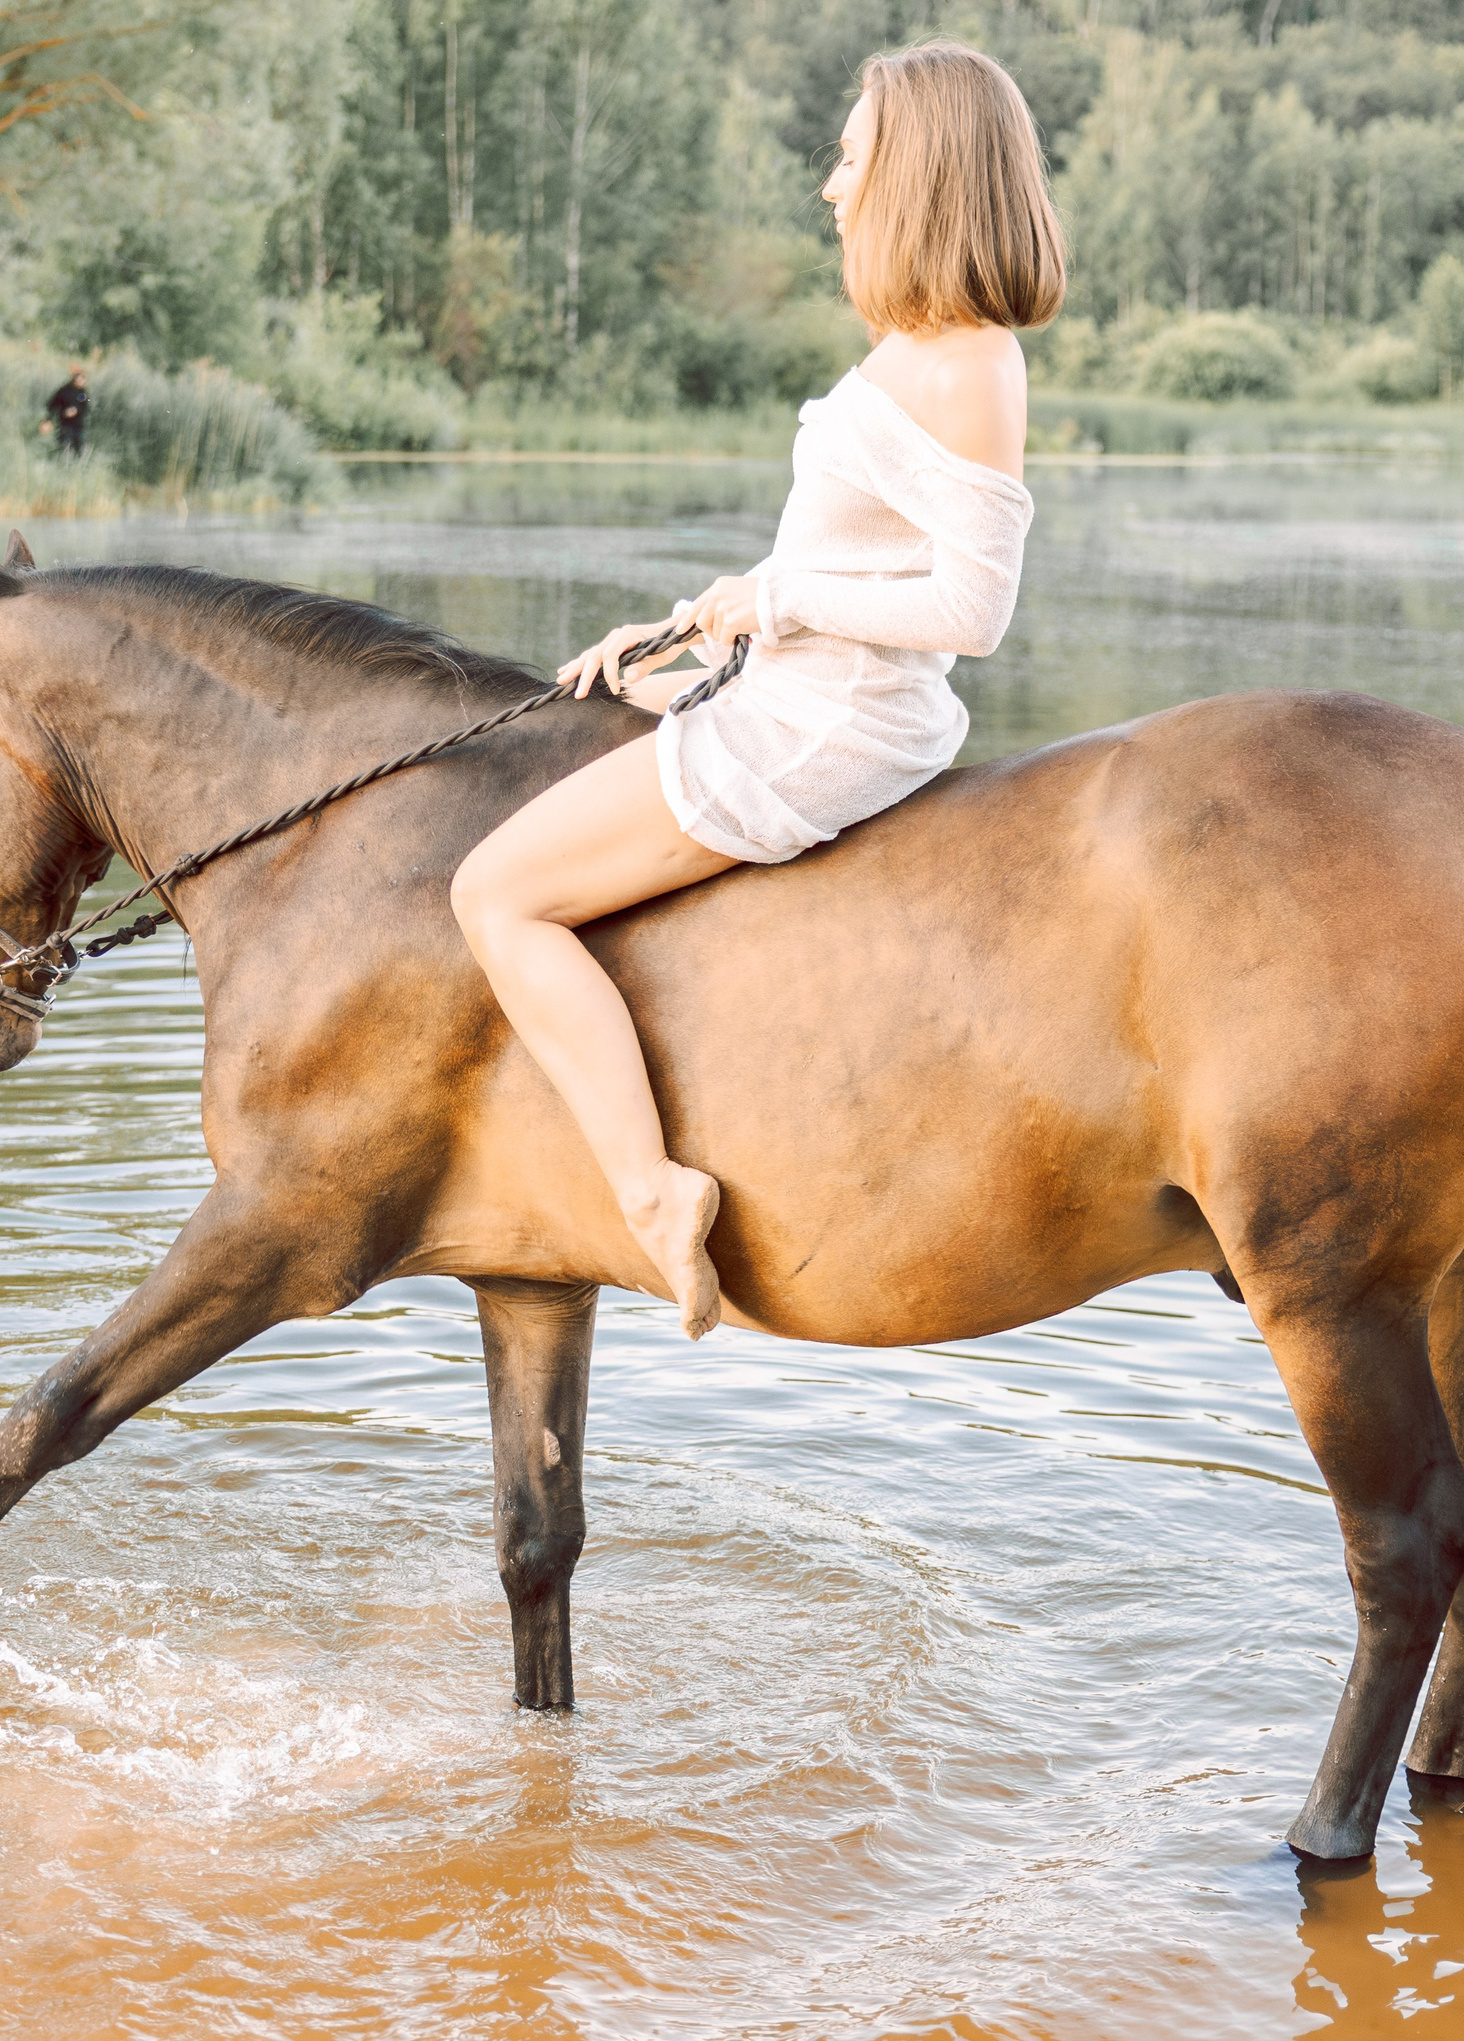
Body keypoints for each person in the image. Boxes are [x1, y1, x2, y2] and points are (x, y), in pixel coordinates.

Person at [450, 41, 1064, 1339]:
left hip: (824, 724)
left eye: (850, 158)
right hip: (795, 687)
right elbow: (848, 558)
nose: (832, 186)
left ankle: (650, 1190)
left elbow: (973, 610)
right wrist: (695, 623)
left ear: (917, 173)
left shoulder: (967, 362)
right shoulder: (919, 349)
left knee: (496, 893)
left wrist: (774, 606)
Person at [44, 367, 91, 454]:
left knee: (81, 447)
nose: (83, 382)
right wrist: (49, 420)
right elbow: (52, 405)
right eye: (80, 379)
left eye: (84, 380)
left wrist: (77, 410)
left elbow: (87, 406)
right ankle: (66, 465)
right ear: (75, 379)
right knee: (66, 447)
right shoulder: (63, 391)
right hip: (64, 425)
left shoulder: (83, 393)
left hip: (78, 425)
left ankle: (81, 465)